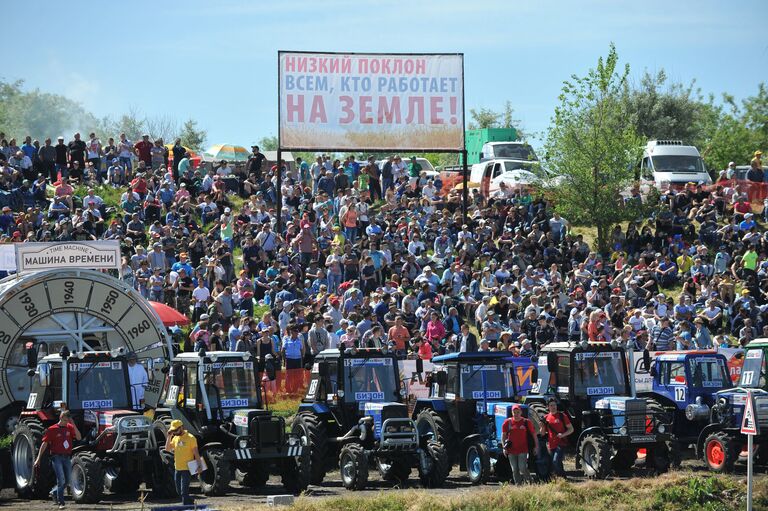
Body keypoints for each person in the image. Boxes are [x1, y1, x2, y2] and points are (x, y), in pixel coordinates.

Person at [34, 410, 82, 509]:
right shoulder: (52, 429)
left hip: (67, 457)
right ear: (61, 418)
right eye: (65, 420)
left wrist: (73, 424)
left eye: (68, 420)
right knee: (61, 479)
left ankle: (54, 492)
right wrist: (38, 458)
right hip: (56, 457)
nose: (66, 422)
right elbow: (44, 444)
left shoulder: (69, 427)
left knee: (68, 480)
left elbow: (79, 437)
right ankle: (61, 503)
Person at [165, 419, 203, 506]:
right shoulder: (175, 438)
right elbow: (167, 449)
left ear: (181, 427)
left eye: (176, 430)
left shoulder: (191, 438)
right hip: (177, 468)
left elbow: (196, 453)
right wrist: (169, 436)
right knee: (179, 491)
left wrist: (199, 465)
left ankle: (186, 506)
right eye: (173, 430)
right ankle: (191, 502)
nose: (174, 432)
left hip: (186, 469)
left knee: (183, 492)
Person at [501, 404, 538, 485]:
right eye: (514, 412)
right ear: (512, 413)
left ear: (521, 412)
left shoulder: (526, 422)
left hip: (523, 449)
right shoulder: (507, 422)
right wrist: (504, 448)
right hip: (511, 450)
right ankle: (518, 486)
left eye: (518, 412)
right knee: (514, 469)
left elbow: (534, 435)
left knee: (522, 467)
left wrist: (536, 446)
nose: (516, 414)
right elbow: (503, 435)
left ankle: (530, 482)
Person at [540, 398, 573, 478]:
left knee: (555, 461)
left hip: (561, 442)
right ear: (548, 407)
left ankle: (561, 478)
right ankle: (563, 478)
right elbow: (542, 433)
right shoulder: (546, 417)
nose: (553, 407)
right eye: (551, 405)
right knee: (557, 463)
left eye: (554, 405)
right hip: (551, 444)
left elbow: (571, 429)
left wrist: (563, 434)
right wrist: (542, 426)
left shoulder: (562, 416)